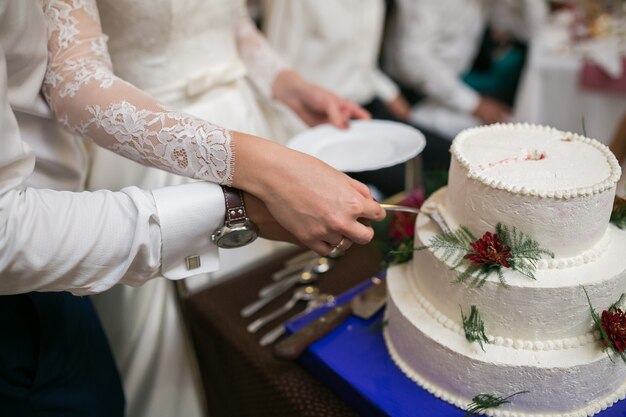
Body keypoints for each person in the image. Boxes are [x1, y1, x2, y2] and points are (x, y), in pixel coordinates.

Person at [0, 1, 386, 416]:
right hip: (154, 139)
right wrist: (262, 170)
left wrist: (288, 85)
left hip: (246, 116)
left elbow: (231, 20)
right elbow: (74, 83)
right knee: (178, 364)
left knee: (264, 329)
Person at [261, 0, 452, 197]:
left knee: (452, 158)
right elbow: (275, 74)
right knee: (424, 185)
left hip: (366, 108)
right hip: (322, 121)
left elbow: (362, 63)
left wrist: (392, 94)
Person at [383, 0, 548, 139]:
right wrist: (473, 104)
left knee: (523, 124)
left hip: (455, 85)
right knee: (509, 134)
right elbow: (411, 62)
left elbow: (532, 31)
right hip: (412, 96)